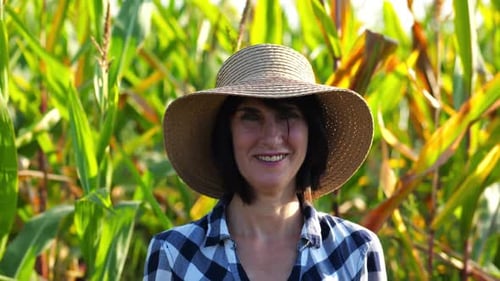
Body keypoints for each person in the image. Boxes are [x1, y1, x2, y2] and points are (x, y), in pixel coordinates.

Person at [144, 44, 387, 280]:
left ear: (311, 132)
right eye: (251, 117)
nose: (271, 138)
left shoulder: (356, 251)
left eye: (287, 116)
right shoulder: (175, 254)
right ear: (226, 134)